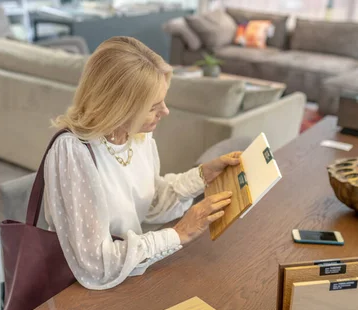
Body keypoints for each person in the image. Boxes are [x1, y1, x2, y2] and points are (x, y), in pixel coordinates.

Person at [44, 36, 240, 290]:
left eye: (163, 101)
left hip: (128, 276)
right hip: (80, 290)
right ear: (118, 108)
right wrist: (179, 233)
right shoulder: (73, 151)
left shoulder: (137, 136)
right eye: (153, 107)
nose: (165, 112)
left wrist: (203, 176)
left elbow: (152, 203)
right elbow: (96, 264)